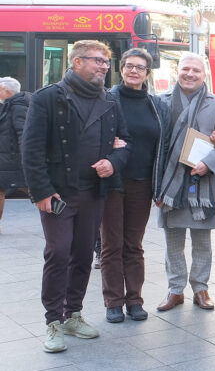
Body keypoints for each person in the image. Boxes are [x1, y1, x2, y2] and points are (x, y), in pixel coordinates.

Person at [22, 40, 130, 352]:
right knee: (58, 252)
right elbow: (31, 150)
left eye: (106, 62)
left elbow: (127, 142)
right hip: (58, 193)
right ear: (77, 62)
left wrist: (113, 162)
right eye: (97, 61)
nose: (103, 67)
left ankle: (74, 314)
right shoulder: (48, 97)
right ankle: (53, 321)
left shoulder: (109, 100)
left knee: (83, 254)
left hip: (94, 192)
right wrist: (41, 191)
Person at [156, 53, 215, 314]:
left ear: (204, 75)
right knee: (173, 241)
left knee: (202, 240)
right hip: (170, 185)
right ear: (179, 71)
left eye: (196, 71)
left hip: (202, 182)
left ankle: (201, 288)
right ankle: (175, 290)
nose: (190, 74)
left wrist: (209, 163)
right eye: (186, 69)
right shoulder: (161, 101)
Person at [100, 48, 169, 323]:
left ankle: (135, 300)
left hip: (142, 183)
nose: (133, 71)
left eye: (140, 67)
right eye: (129, 66)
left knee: (134, 244)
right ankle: (113, 301)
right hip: (112, 181)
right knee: (111, 243)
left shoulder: (157, 105)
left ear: (147, 73)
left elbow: (165, 145)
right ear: (121, 69)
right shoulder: (106, 100)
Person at [0, 76, 29, 229]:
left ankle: (59, 211)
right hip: (8, 156)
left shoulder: (17, 106)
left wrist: (27, 158)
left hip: (15, 157)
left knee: (34, 188)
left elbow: (22, 132)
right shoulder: (10, 105)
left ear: (6, 91)